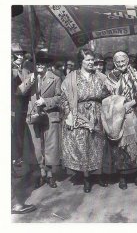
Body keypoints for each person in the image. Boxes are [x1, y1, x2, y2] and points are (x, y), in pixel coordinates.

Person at [61, 49, 110, 193]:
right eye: (87, 60)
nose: (90, 63)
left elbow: (109, 94)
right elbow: (64, 98)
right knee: (83, 145)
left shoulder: (100, 77)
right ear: (80, 62)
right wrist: (69, 114)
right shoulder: (71, 78)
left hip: (97, 113)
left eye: (92, 60)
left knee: (98, 144)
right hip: (79, 114)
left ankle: (98, 174)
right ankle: (86, 177)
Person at [102, 51, 137, 190]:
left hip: (135, 112)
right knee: (119, 144)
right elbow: (105, 96)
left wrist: (131, 103)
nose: (121, 64)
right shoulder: (111, 77)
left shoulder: (135, 74)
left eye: (123, 61)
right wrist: (120, 105)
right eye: (118, 62)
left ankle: (136, 175)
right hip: (117, 115)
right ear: (115, 63)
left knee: (136, 142)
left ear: (128, 61)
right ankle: (122, 176)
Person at [18, 51, 62, 189]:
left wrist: (46, 101)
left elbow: (60, 98)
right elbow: (19, 92)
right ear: (34, 65)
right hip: (34, 117)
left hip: (50, 116)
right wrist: (30, 80)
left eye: (43, 63)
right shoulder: (31, 78)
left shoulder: (55, 79)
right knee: (37, 146)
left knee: (50, 146)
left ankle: (50, 175)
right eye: (38, 63)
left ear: (47, 65)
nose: (41, 65)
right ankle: (41, 173)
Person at [11, 43, 32, 167]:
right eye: (16, 54)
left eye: (20, 54)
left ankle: (20, 158)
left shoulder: (25, 70)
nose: (19, 56)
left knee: (23, 133)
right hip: (13, 106)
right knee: (14, 133)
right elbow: (17, 90)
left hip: (25, 105)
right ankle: (15, 159)